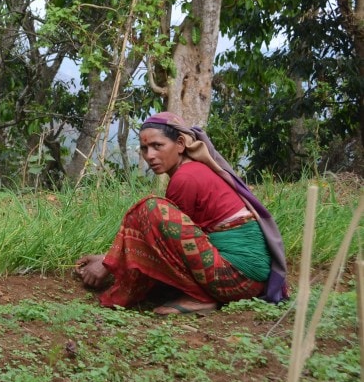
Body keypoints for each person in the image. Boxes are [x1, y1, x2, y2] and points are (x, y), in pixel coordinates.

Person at [76, 112, 288, 315]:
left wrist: (107, 265)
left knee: (150, 208)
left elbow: (168, 251)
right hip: (247, 282)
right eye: (144, 148)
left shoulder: (186, 177)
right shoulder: (191, 171)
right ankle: (199, 294)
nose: (150, 155)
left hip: (236, 280)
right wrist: (110, 258)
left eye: (157, 146)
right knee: (152, 212)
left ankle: (200, 298)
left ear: (179, 144)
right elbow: (176, 248)